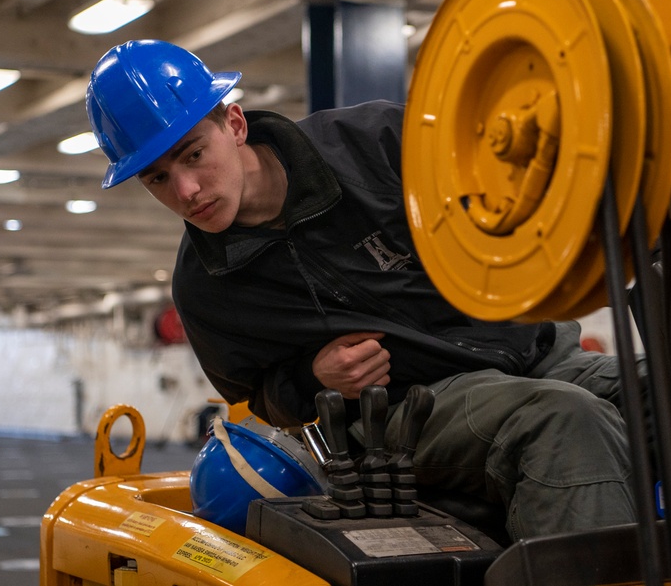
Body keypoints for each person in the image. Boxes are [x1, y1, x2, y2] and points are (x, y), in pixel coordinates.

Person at [86, 39, 637, 541]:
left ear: (233, 124)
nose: (185, 190)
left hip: (538, 352)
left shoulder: (377, 143)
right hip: (409, 412)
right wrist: (312, 377)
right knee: (564, 422)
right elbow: (259, 398)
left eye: (193, 154)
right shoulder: (206, 290)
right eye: (156, 178)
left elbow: (506, 189)